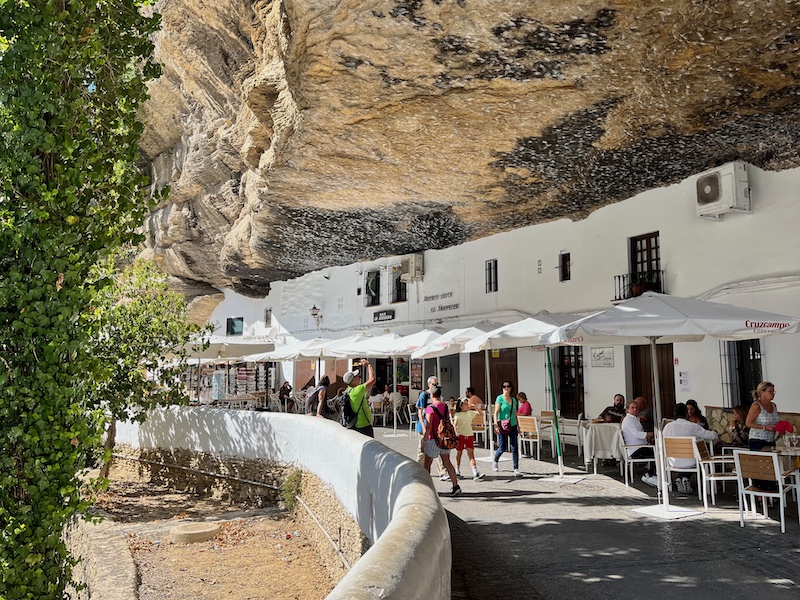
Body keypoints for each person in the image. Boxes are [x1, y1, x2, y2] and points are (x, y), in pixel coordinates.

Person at [662, 403, 719, 494]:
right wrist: (715, 432)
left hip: (672, 462)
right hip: (691, 462)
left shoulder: (667, 427)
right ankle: (705, 489)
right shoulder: (693, 426)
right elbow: (711, 436)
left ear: (674, 413)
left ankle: (682, 478)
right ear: (686, 413)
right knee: (703, 459)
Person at [423, 386, 461, 496]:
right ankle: (455, 485)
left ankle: (427, 488)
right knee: (447, 462)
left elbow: (429, 426)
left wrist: (424, 439)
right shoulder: (445, 406)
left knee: (427, 464)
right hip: (444, 438)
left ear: (431, 395)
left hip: (433, 439)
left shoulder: (430, 408)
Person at [417, 376, 446, 478]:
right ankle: (418, 470)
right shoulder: (424, 395)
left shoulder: (439, 396)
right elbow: (420, 411)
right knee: (422, 452)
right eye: (434, 384)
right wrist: (423, 426)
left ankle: (442, 472)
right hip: (425, 426)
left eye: (437, 384)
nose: (436, 386)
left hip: (436, 428)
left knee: (438, 449)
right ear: (429, 384)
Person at [492, 380, 523, 477]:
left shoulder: (514, 400)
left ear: (511, 388)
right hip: (502, 425)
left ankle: (516, 468)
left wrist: (518, 426)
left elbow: (514, 413)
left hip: (512, 424)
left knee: (514, 447)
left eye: (508, 386)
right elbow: (496, 413)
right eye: (504, 386)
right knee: (502, 447)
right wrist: (496, 425)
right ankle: (495, 460)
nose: (506, 388)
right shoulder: (499, 398)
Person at [453, 398, 485, 481]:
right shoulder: (458, 414)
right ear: (461, 406)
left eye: (467, 404)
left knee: (471, 455)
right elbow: (454, 425)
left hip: (469, 435)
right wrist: (456, 432)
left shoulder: (470, 413)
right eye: (465, 404)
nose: (467, 405)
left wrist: (476, 407)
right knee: (459, 454)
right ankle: (457, 471)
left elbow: (481, 414)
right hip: (460, 436)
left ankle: (475, 473)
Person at [344, 359, 375, 437]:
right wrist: (369, 365)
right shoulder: (357, 390)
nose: (359, 377)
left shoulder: (348, 390)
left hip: (355, 425)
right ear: (353, 380)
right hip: (364, 425)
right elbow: (372, 380)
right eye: (357, 376)